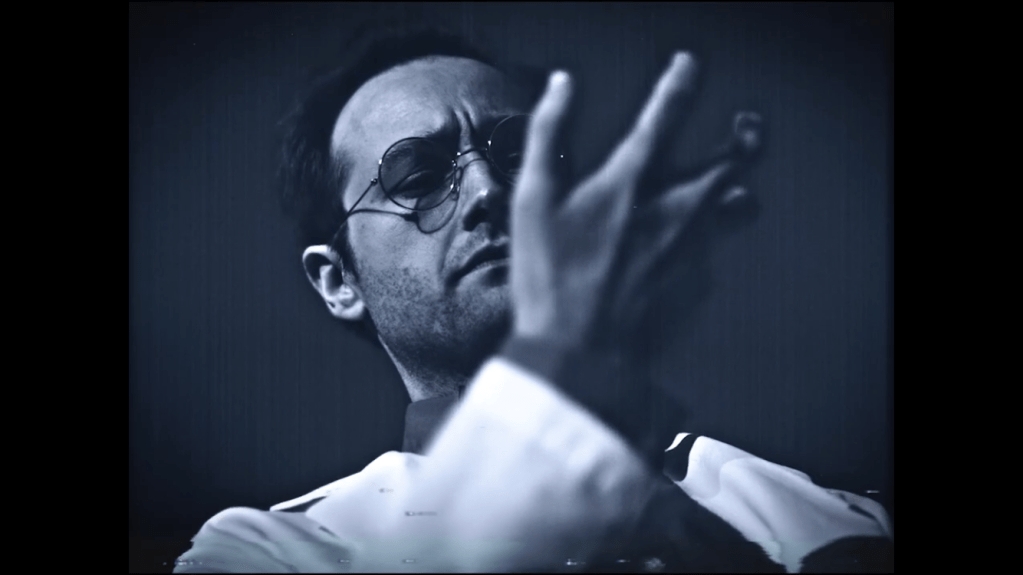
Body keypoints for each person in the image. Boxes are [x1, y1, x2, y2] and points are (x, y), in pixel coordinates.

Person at [173, 24, 893, 573]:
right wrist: (560, 373)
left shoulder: (831, 518)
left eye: (519, 154)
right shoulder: (272, 550)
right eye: (417, 176)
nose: (491, 190)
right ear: (339, 280)